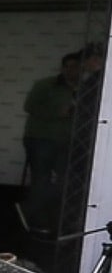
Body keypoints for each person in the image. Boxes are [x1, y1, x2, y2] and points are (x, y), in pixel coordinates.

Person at [22, 50, 81, 234]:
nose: (73, 71)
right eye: (69, 67)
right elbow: (29, 107)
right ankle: (36, 220)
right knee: (41, 179)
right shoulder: (46, 85)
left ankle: (57, 219)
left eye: (76, 67)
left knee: (65, 182)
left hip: (68, 141)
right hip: (42, 139)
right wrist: (57, 112)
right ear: (62, 68)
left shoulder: (84, 88)